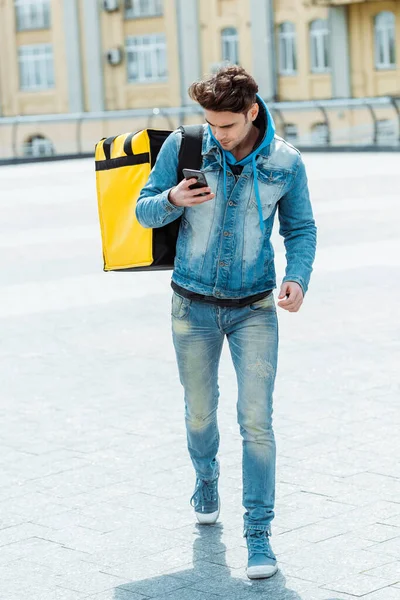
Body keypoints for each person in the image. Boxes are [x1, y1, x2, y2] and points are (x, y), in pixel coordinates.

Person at [136, 65, 317, 580]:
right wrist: (172, 199)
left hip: (255, 308)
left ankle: (259, 535)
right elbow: (142, 211)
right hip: (191, 305)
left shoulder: (286, 161)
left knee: (257, 424)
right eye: (211, 125)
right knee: (199, 412)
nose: (219, 135)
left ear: (251, 111)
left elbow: (301, 229)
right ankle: (206, 477)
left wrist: (298, 278)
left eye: (228, 126)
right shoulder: (184, 147)